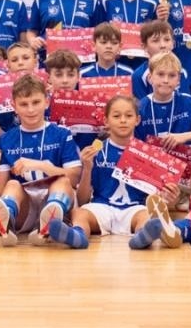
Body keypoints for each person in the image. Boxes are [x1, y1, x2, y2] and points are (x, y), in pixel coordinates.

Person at [0, 74, 85, 247]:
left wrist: (41, 166)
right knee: (12, 185)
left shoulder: (62, 133)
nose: (30, 110)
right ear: (14, 106)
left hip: (55, 198)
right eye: (24, 104)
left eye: (36, 102)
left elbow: (75, 177)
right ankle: (6, 225)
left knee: (62, 181)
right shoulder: (6, 139)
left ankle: (47, 225)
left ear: (46, 102)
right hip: (25, 207)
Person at [72, 95, 182, 249]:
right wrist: (87, 168)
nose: (123, 120)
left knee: (147, 217)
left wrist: (170, 197)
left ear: (137, 120)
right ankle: (77, 235)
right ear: (106, 121)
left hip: (134, 209)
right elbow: (83, 200)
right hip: (101, 207)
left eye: (128, 116)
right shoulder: (96, 151)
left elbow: (161, 199)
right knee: (79, 213)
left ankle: (142, 237)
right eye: (116, 116)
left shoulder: (150, 155)